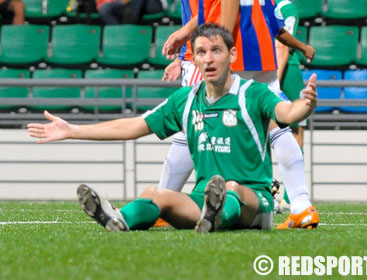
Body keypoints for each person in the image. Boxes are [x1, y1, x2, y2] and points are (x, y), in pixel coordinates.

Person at [27, 23, 318, 232]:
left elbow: (287, 112)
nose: (208, 58)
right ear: (193, 58)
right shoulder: (185, 100)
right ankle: (117, 218)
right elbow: (134, 125)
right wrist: (72, 130)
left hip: (256, 202)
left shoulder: (252, 93)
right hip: (205, 199)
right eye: (201, 52)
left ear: (232, 55)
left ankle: (215, 215)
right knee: (156, 194)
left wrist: (305, 104)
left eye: (216, 50)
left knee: (232, 188)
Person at [160, 0, 319, 229]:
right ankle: (301, 205)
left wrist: (217, 50)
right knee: (278, 126)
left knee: (195, 121)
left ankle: (164, 202)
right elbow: (273, 23)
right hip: (261, 51)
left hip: (237, 51)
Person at [275, 0, 306, 150]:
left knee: (295, 129)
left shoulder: (284, 7)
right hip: (269, 68)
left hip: (286, 71)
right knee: (295, 131)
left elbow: (282, 45)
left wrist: (276, 82)